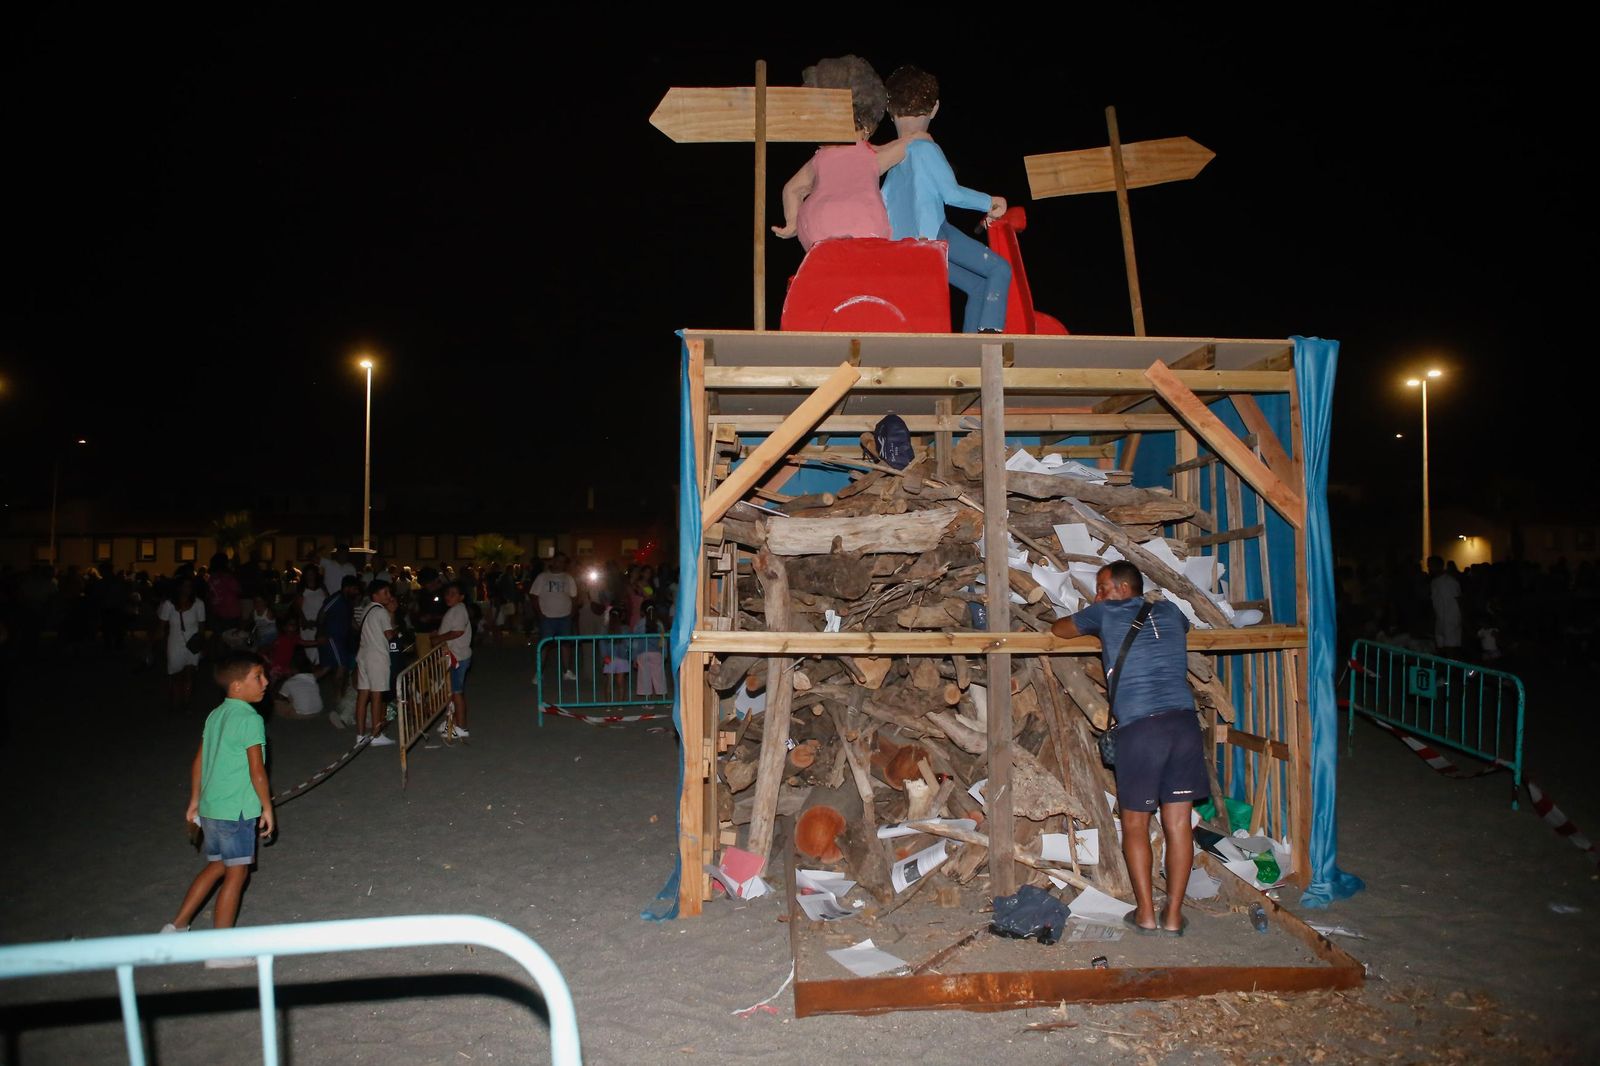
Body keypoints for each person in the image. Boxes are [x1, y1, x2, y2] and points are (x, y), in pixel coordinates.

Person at [1051, 561, 1206, 936]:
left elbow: (1059, 630)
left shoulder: (1103, 612)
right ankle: (1173, 917)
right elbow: (1181, 627)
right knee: (1179, 823)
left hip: (1142, 729)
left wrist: (1092, 614)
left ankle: (1147, 914)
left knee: (1135, 824)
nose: (1097, 595)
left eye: (1102, 588)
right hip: (1185, 724)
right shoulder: (1168, 609)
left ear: (1122, 588)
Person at [161, 651, 274, 966]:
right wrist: (267, 806)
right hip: (236, 811)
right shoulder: (250, 719)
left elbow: (199, 760)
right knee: (236, 874)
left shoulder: (215, 715)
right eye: (258, 677)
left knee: (217, 867)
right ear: (237, 686)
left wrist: (195, 799)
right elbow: (257, 771)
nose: (265, 682)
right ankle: (220, 953)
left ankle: (176, 927)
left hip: (212, 808)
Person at [879, 65, 1011, 333]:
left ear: (889, 112)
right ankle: (990, 335)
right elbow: (952, 193)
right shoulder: (926, 148)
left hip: (905, 246)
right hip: (935, 234)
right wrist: (990, 202)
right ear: (935, 109)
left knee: (977, 286)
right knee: (1000, 270)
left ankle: (969, 347)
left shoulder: (891, 160)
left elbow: (884, 202)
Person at [771, 56, 925, 250]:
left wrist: (792, 223)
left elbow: (792, 189)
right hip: (864, 222)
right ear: (868, 126)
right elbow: (904, 146)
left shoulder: (820, 159)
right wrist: (920, 136)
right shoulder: (870, 155)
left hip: (819, 224)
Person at [353, 580, 398, 745]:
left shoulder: (367, 609)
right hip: (377, 657)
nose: (389, 596)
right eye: (385, 592)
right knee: (377, 695)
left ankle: (360, 735)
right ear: (375, 595)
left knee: (363, 695)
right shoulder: (381, 612)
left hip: (363, 654)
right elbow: (389, 634)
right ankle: (376, 734)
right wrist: (392, 613)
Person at [157, 578, 207, 712]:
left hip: (193, 642)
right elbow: (161, 627)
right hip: (175, 642)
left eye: (189, 586)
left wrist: (201, 645)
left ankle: (186, 702)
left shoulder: (198, 603)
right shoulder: (168, 604)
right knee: (175, 674)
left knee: (189, 673)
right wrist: (158, 644)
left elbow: (202, 626)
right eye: (184, 586)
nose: (187, 589)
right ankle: (174, 701)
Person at [434, 581, 473, 739]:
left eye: (453, 594)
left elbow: (457, 631)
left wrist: (438, 639)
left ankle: (462, 726)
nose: (448, 597)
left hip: (457, 656)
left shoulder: (458, 610)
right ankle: (452, 721)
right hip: (454, 655)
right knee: (452, 691)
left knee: (456, 692)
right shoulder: (455, 610)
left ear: (461, 597)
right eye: (447, 594)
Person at [532, 554, 579, 681]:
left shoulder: (568, 578)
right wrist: (540, 614)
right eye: (558, 561)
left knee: (565, 644)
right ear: (553, 561)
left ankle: (566, 671)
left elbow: (574, 598)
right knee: (545, 645)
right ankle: (539, 672)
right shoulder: (542, 577)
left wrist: (572, 614)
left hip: (564, 616)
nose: (560, 564)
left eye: (563, 562)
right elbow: (534, 597)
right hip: (547, 617)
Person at [274, 648, 325, 719]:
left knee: (277, 703)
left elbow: (280, 697)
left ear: (294, 669)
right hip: (318, 711)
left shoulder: (289, 682)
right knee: (297, 693)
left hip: (301, 714)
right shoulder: (312, 677)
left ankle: (298, 709)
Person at [1429, 555, 1462, 657]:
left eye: (1431, 566)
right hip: (1439, 620)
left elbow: (1459, 600)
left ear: (1439, 566)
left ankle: (1452, 671)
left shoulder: (1450, 581)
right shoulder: (1433, 582)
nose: (1429, 568)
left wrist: (1463, 619)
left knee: (1451, 648)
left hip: (1451, 620)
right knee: (1441, 647)